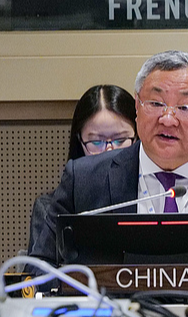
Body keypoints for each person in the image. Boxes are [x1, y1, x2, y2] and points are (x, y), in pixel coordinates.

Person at [30, 50, 188, 284]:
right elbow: (40, 272)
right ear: (136, 106)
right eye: (155, 104)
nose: (167, 119)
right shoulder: (84, 180)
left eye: (185, 107)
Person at [28, 85, 137, 254]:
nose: (109, 151)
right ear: (79, 141)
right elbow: (38, 270)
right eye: (96, 142)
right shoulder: (51, 207)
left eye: (120, 140)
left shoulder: (147, 197)